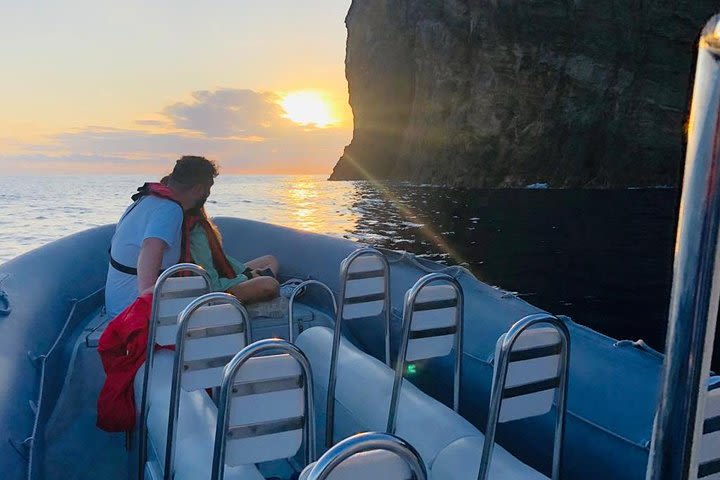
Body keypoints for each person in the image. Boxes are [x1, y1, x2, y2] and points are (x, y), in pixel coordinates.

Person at [104, 156, 218, 319]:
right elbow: (150, 247)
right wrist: (149, 297)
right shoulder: (169, 209)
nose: (208, 194)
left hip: (118, 305)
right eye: (209, 189)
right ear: (199, 189)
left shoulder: (147, 199)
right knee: (224, 303)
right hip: (132, 314)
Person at [185, 206, 280, 303]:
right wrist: (248, 276)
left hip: (223, 277)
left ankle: (256, 291)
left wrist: (244, 272)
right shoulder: (196, 234)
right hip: (215, 292)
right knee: (270, 284)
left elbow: (223, 261)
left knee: (270, 260)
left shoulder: (199, 226)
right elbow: (212, 285)